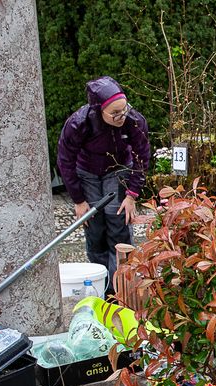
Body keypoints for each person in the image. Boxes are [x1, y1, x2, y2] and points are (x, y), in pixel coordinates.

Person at [57, 77, 150, 294]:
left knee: (118, 221)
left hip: (117, 169)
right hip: (87, 172)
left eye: (124, 110)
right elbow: (65, 160)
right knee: (94, 224)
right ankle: (101, 286)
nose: (121, 116)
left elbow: (141, 157)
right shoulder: (78, 123)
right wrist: (79, 200)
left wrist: (131, 195)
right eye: (115, 113)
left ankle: (122, 288)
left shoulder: (134, 121)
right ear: (100, 110)